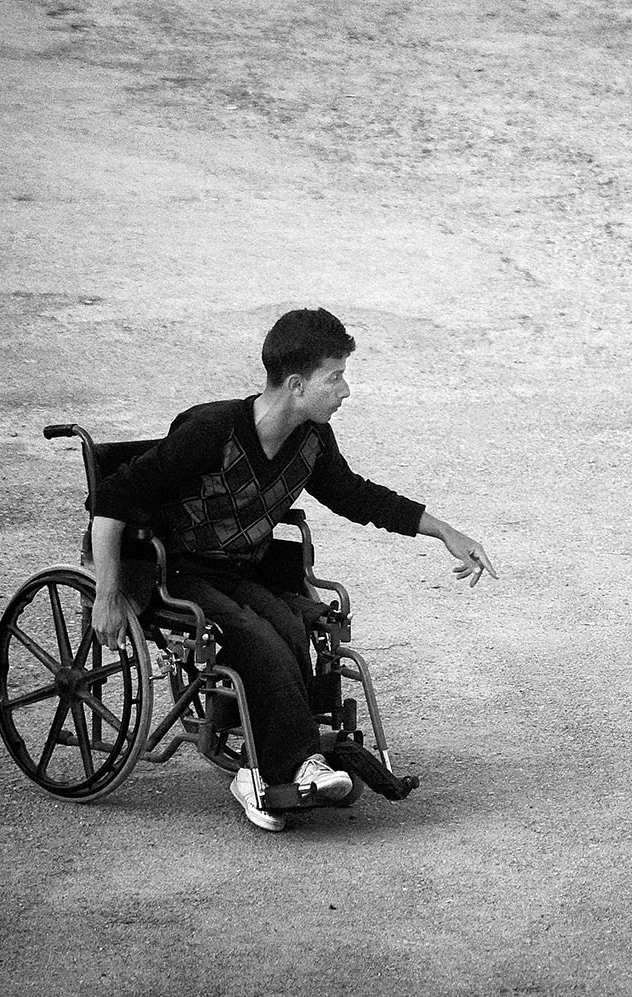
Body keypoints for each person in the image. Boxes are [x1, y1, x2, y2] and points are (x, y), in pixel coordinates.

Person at [89, 307, 498, 831]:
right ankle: (278, 771)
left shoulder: (310, 439)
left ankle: (278, 755)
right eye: (336, 377)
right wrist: (106, 592)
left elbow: (355, 496)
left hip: (241, 571)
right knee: (252, 633)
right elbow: (111, 500)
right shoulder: (209, 431)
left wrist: (444, 531)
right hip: (175, 573)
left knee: (294, 622)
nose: (345, 390)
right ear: (297, 384)